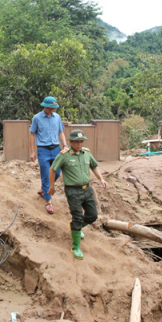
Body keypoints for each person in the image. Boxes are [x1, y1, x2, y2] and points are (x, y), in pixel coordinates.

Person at [49, 130, 108, 260]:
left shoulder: (86, 153)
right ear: (71, 142)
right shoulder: (64, 155)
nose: (79, 144)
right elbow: (52, 169)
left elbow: (94, 166)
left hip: (87, 189)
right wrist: (52, 186)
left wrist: (101, 179)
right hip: (73, 191)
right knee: (77, 216)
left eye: (81, 141)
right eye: (77, 141)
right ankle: (75, 246)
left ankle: (77, 227)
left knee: (93, 215)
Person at [30, 96, 68, 215]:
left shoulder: (57, 118)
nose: (52, 110)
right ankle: (48, 202)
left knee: (56, 173)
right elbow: (32, 134)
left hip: (56, 149)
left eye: (53, 108)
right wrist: (32, 151)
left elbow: (61, 132)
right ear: (45, 107)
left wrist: (65, 145)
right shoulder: (37, 118)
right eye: (50, 108)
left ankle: (43, 189)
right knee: (46, 174)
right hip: (43, 150)